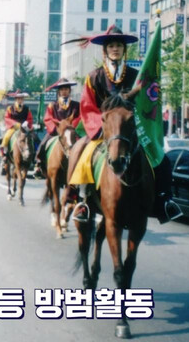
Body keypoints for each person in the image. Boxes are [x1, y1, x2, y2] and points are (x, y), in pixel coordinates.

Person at [64, 25, 182, 223]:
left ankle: (164, 200)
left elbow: (143, 103)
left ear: (124, 49)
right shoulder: (94, 77)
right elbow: (88, 106)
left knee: (162, 158)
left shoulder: (136, 76)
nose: (115, 49)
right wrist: (102, 127)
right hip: (102, 129)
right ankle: (79, 199)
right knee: (80, 152)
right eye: (111, 45)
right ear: (105, 50)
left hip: (128, 130)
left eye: (119, 45)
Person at [33, 78, 81, 179]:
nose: (64, 91)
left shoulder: (76, 105)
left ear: (69, 91)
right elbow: (48, 118)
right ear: (59, 91)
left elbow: (79, 118)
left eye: (66, 89)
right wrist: (58, 128)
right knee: (43, 145)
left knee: (83, 146)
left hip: (71, 132)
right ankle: (38, 165)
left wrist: (71, 127)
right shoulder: (52, 105)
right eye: (62, 89)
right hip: (56, 131)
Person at [0, 90, 33, 175]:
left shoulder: (27, 108)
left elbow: (30, 118)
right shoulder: (10, 108)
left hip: (24, 127)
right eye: (18, 98)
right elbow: (7, 118)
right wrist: (15, 124)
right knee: (6, 137)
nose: (20, 100)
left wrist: (27, 123)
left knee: (33, 138)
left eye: (21, 98)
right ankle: (5, 154)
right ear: (16, 99)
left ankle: (33, 156)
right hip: (13, 127)